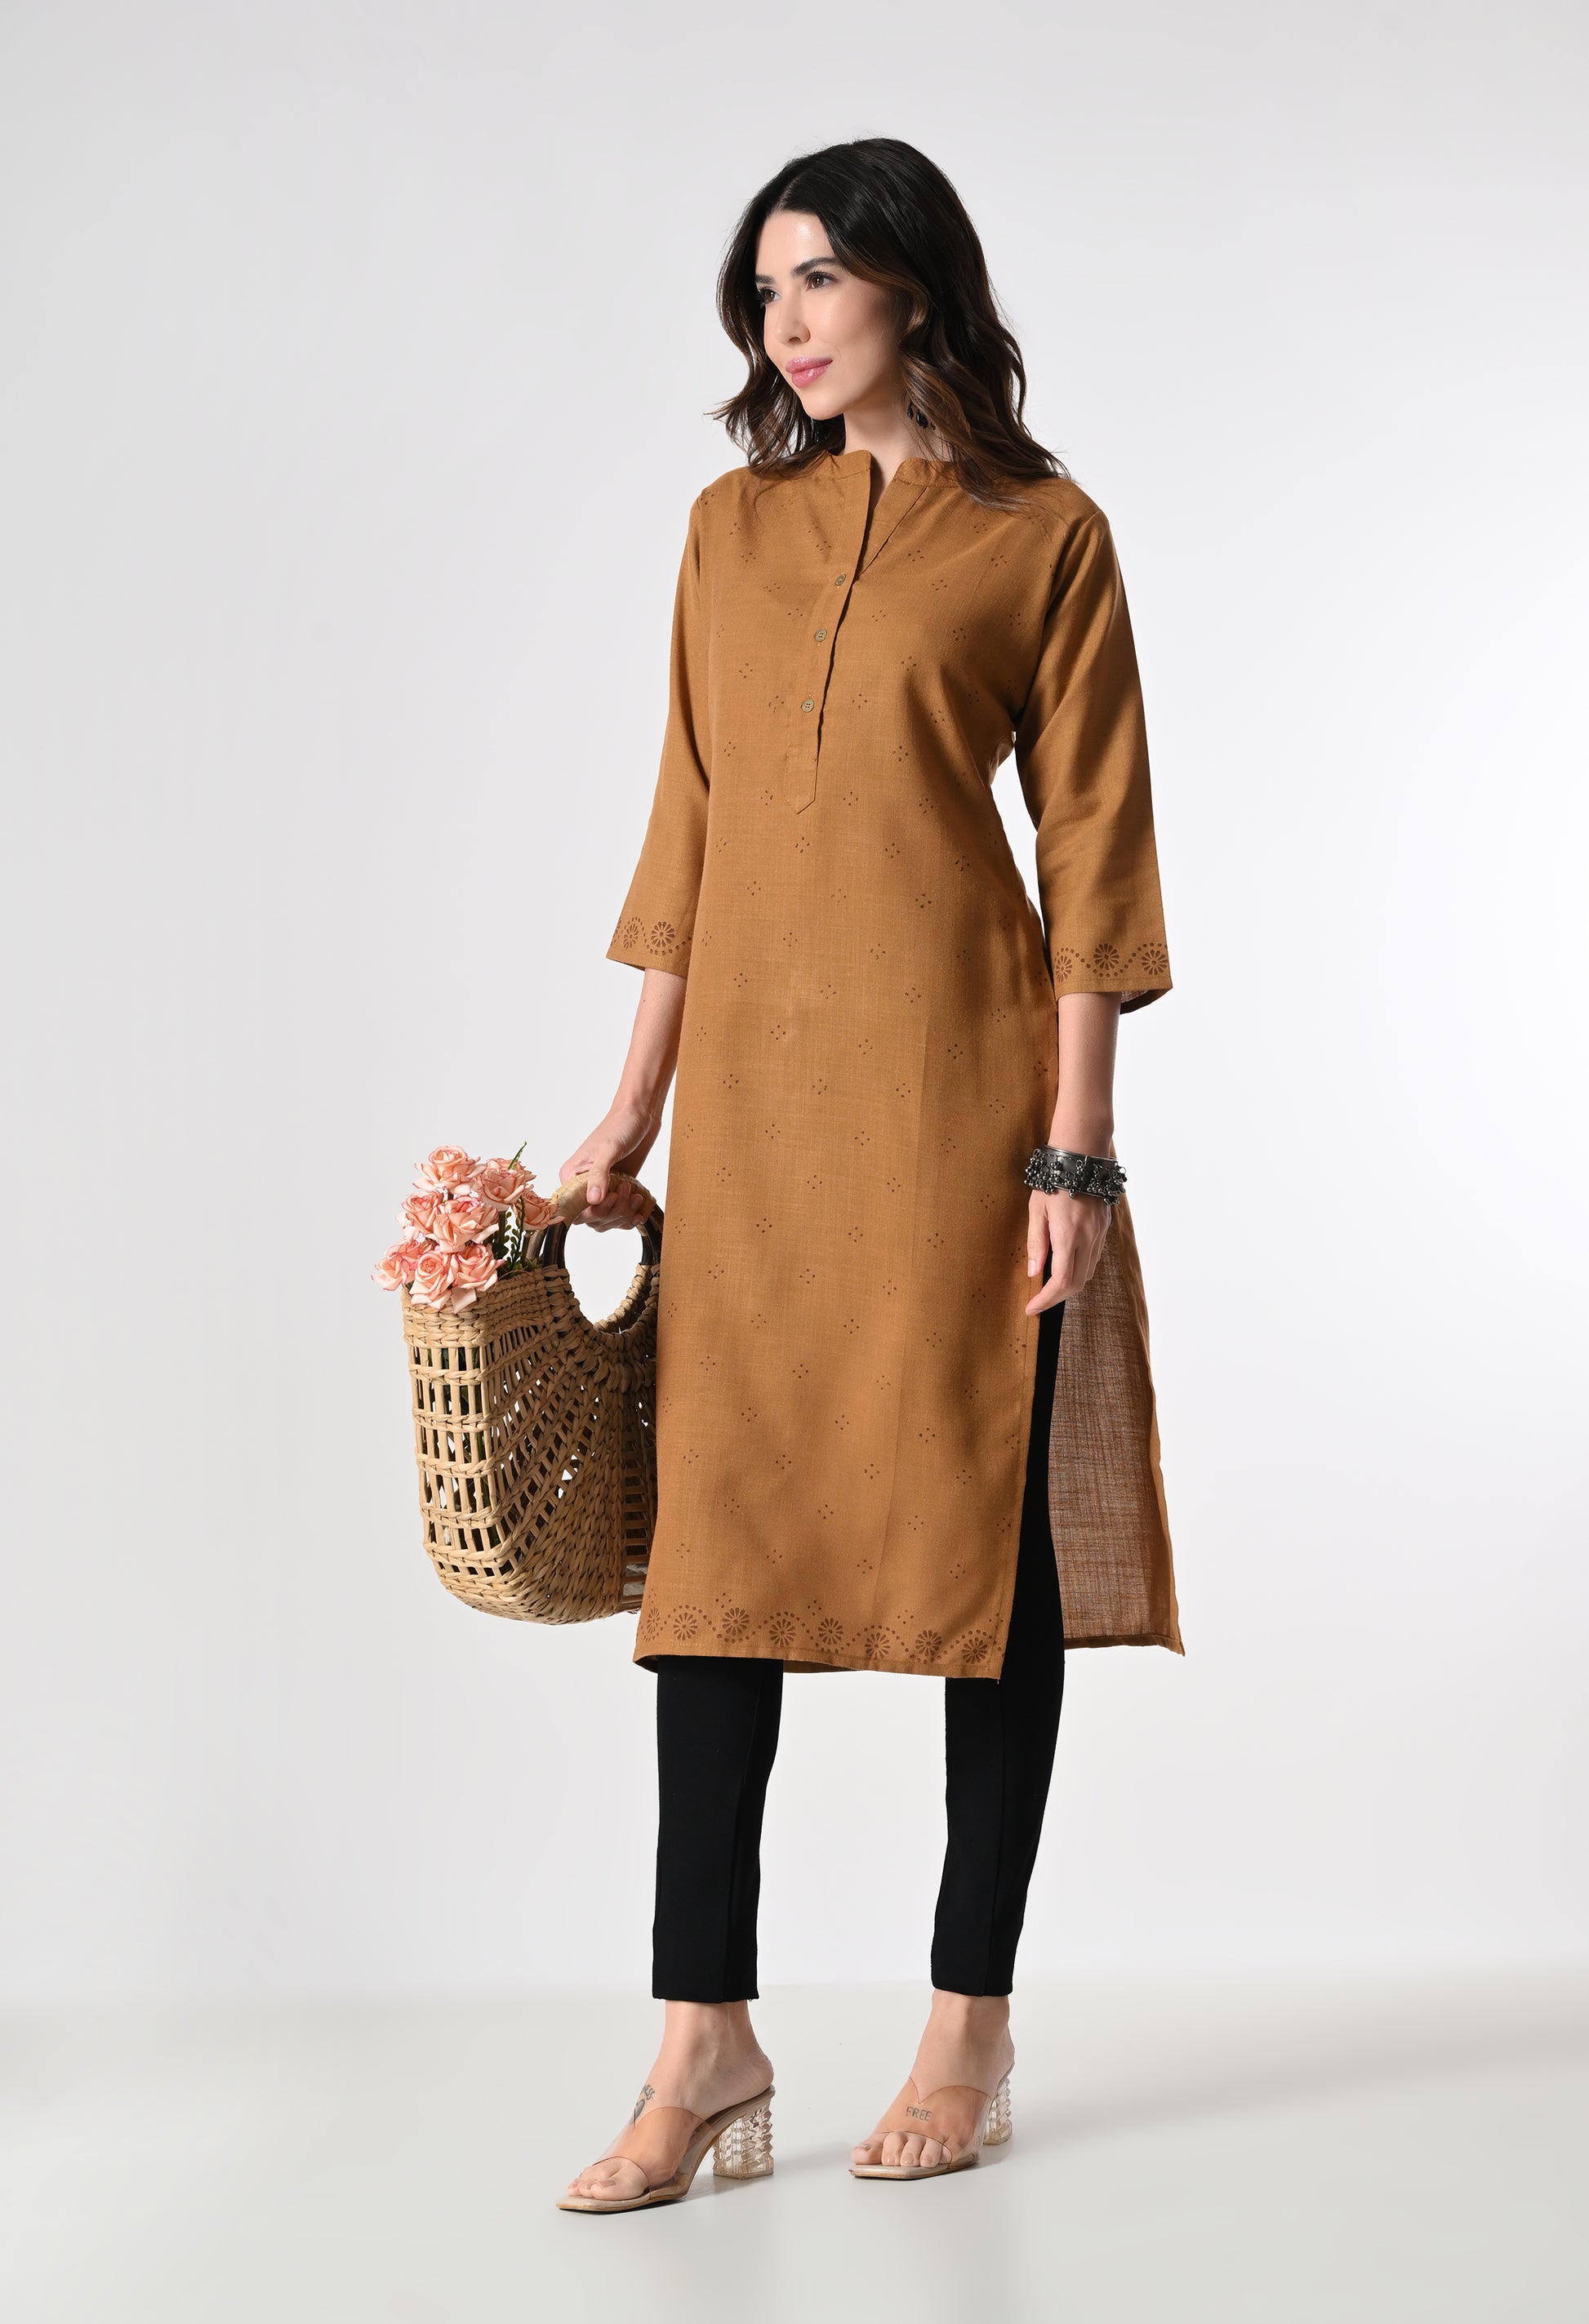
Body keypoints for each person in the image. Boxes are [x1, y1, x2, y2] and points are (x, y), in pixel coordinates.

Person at [555, 137, 1181, 2213]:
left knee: (981, 1553)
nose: (789, 321)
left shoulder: (1041, 535)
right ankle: (701, 2041)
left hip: (955, 1108)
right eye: (765, 290)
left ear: (915, 283)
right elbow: (688, 829)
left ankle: (967, 2021)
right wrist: (630, 1113)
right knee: (714, 1566)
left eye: (819, 276)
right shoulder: (729, 530)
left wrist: (1076, 1147)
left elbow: (1093, 858)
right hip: (755, 1112)